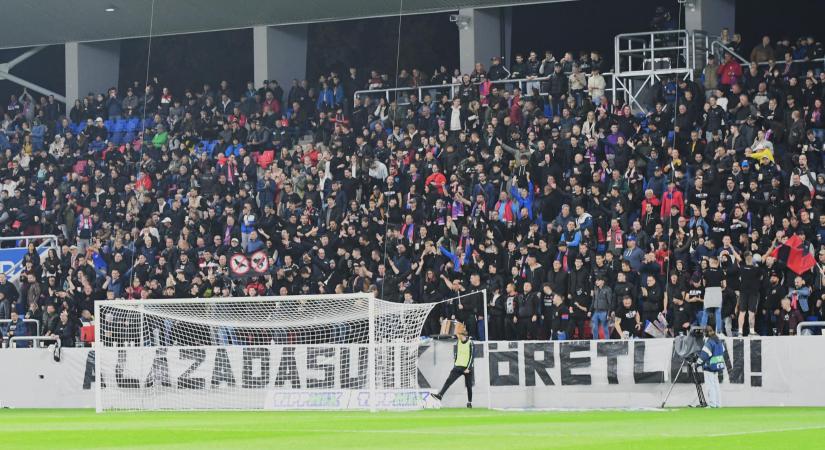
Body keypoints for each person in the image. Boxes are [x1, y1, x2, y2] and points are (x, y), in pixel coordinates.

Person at [431, 324, 474, 408]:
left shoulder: (470, 343)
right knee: (448, 381)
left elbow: (472, 356)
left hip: (467, 368)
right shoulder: (458, 341)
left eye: (459, 335)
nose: (457, 336)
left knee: (469, 385)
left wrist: (468, 368)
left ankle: (469, 402)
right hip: (458, 366)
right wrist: (455, 363)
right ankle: (440, 395)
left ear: (463, 335)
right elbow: (456, 351)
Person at [697, 325, 726, 408]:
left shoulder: (709, 342)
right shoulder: (718, 341)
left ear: (706, 333)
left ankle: (712, 404)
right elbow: (723, 351)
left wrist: (697, 364)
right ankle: (718, 404)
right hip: (717, 365)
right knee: (716, 385)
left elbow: (704, 356)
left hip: (709, 366)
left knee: (710, 386)